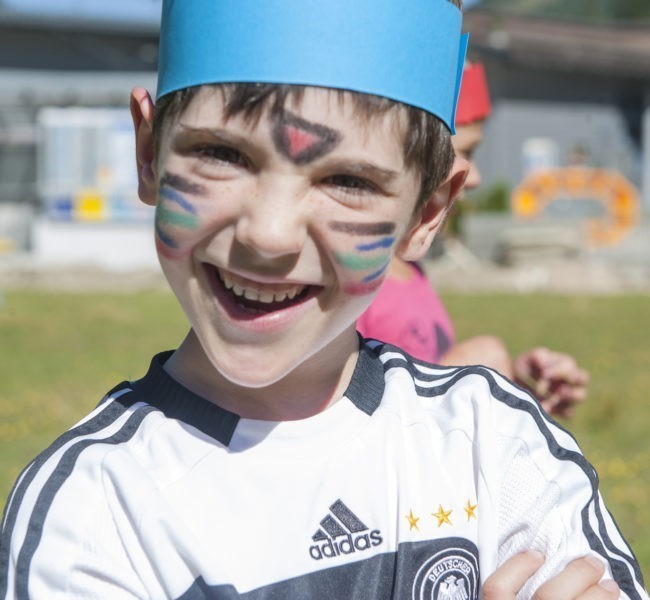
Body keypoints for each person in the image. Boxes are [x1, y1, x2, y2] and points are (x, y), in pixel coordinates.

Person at [0, 1, 645, 598]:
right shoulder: (95, 512)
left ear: (428, 211)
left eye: (347, 180)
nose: (269, 234)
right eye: (222, 154)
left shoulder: (491, 445)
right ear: (148, 153)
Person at [357, 61, 589, 419]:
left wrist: (509, 386)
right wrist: (476, 364)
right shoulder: (353, 284)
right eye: (467, 151)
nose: (476, 177)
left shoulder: (411, 271)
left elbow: (429, 373)